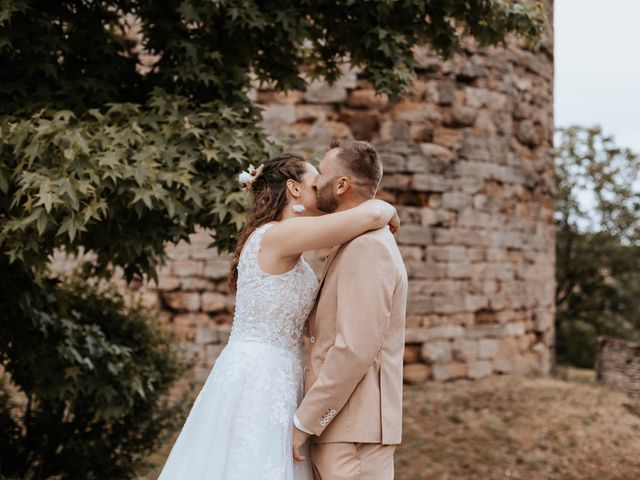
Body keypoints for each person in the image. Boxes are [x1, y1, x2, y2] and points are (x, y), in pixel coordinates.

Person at [157, 151, 399, 479]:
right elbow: (369, 216)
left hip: (284, 376)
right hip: (258, 376)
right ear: (294, 189)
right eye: (315, 183)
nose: (321, 189)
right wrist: (388, 209)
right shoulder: (277, 236)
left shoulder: (290, 247)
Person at [292, 139, 408, 480]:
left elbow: (355, 349)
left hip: (355, 434)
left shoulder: (368, 248)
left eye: (322, 173)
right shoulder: (354, 242)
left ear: (342, 185)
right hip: (342, 430)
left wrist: (306, 420)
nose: (314, 182)